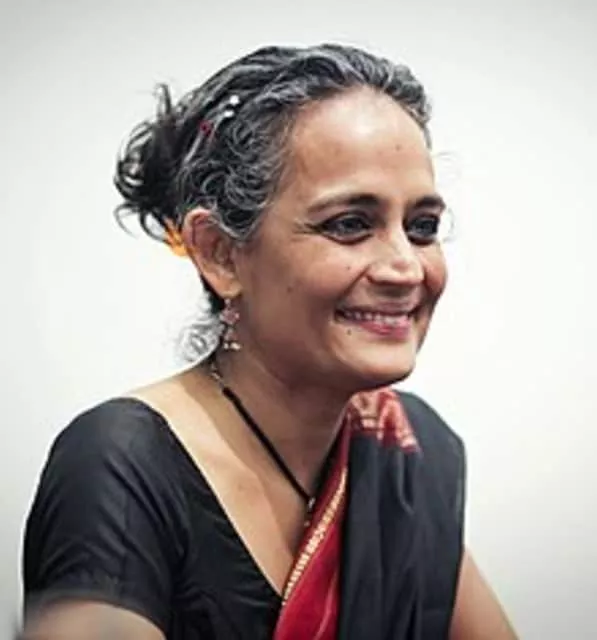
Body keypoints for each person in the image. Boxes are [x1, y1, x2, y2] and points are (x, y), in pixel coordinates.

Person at [21, 44, 517, 639]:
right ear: (220, 254)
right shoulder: (122, 464)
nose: (405, 267)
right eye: (350, 224)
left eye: (422, 227)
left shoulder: (406, 452)